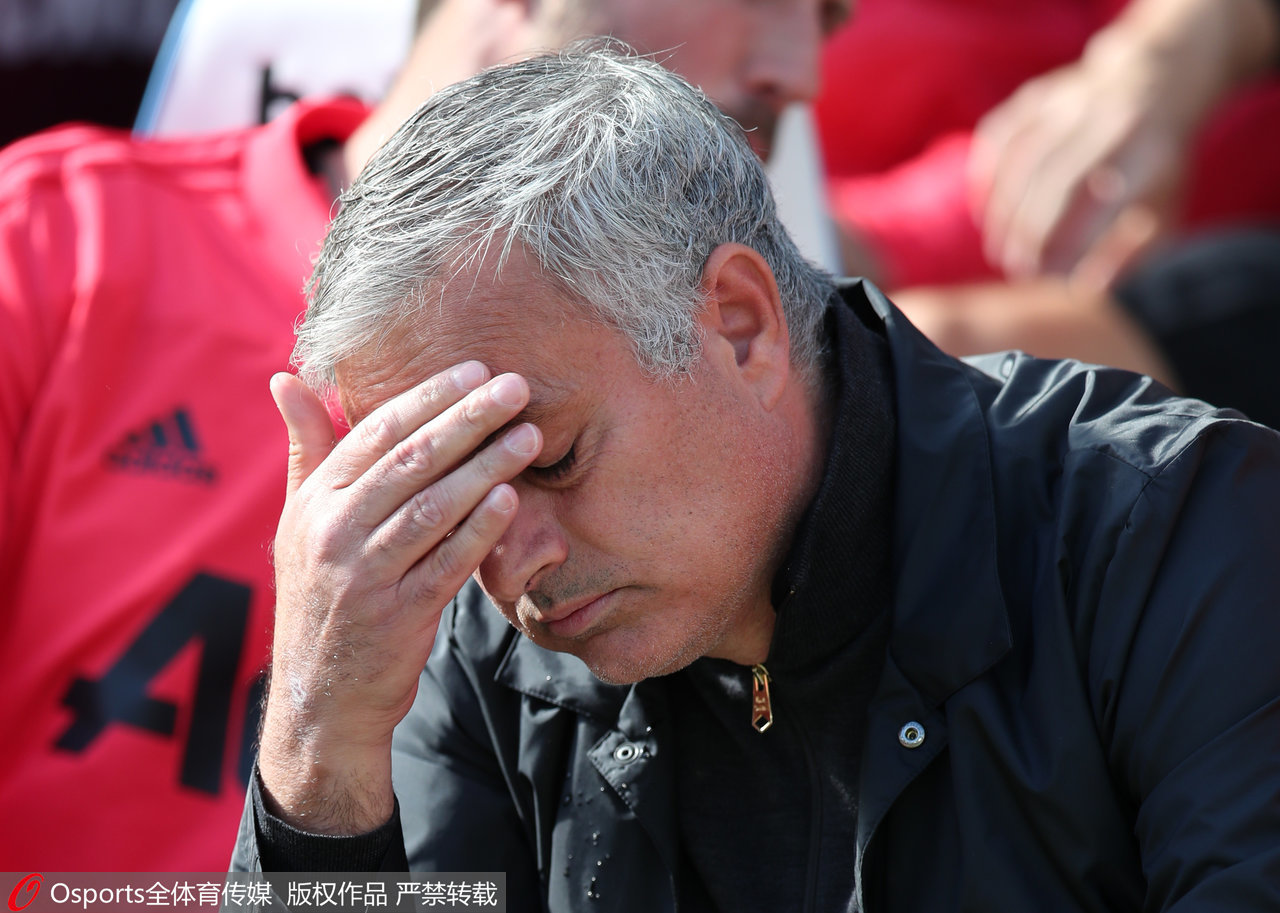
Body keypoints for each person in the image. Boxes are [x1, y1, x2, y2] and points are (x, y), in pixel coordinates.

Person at [233, 45, 1280, 913]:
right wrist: (318, 755)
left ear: (740, 325)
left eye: (548, 457)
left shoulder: (1168, 529)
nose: (512, 563)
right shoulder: (481, 645)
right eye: (455, 500)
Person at [0, 0, 848, 871]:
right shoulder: (55, 250)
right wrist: (315, 766)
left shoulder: (758, 423)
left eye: (829, 17)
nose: (801, 70)